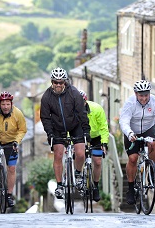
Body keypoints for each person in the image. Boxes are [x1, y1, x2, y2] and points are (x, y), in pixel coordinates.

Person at [40, 67, 91, 199]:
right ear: (52, 82)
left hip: (75, 125)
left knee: (80, 153)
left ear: (65, 82)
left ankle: (78, 174)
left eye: (61, 82)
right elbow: (45, 117)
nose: (58, 85)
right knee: (58, 154)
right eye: (56, 82)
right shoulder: (46, 97)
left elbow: (82, 113)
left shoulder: (74, 93)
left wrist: (86, 131)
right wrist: (50, 133)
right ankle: (60, 185)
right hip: (57, 127)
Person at [119, 80, 155, 205]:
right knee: (133, 158)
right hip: (132, 131)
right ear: (136, 94)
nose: (143, 98)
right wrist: (130, 133)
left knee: (153, 144)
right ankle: (131, 189)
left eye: (146, 95)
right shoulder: (130, 103)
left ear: (149, 93)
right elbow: (124, 121)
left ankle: (150, 169)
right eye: (141, 95)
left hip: (148, 128)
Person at [79, 90, 109, 202]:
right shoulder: (72, 110)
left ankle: (95, 186)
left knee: (97, 161)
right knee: (78, 155)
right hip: (80, 136)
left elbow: (103, 127)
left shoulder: (96, 109)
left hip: (95, 137)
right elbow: (69, 127)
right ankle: (79, 178)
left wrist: (104, 143)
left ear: (85, 101)